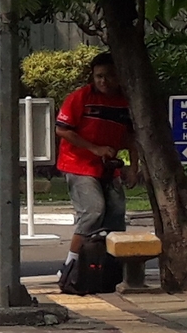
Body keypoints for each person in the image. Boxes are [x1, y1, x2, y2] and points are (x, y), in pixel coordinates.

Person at [54, 52, 134, 267]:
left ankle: (111, 267)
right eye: (98, 76)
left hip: (107, 167)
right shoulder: (81, 97)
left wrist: (134, 166)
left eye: (108, 76)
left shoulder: (125, 101)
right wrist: (94, 149)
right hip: (78, 163)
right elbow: (62, 130)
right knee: (93, 210)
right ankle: (71, 264)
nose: (103, 81)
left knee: (116, 214)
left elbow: (132, 137)